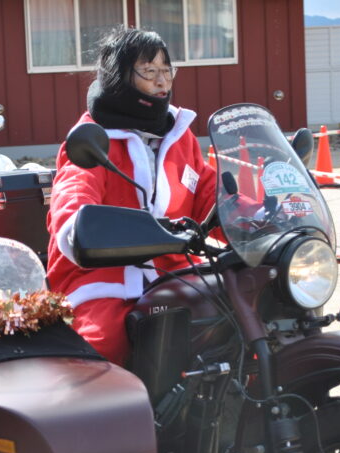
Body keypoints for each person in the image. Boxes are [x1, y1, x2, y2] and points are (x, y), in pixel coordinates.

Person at [46, 27, 216, 365]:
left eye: (167, 70)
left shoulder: (178, 134)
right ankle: (106, 416)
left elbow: (207, 191)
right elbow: (73, 190)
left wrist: (254, 209)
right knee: (102, 345)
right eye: (149, 71)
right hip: (103, 273)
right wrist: (75, 228)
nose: (162, 82)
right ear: (120, 77)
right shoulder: (93, 136)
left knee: (232, 317)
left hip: (174, 269)